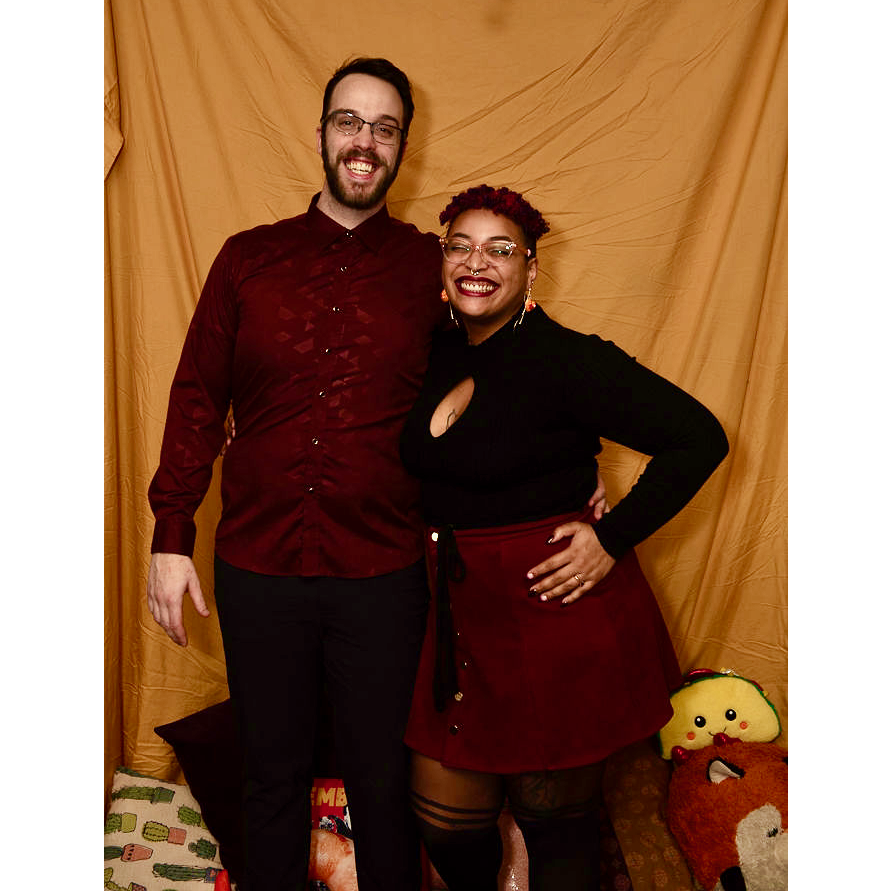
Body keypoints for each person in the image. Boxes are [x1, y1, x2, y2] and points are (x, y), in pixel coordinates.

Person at [145, 60, 606, 891]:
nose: (365, 141)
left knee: (385, 785)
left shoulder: (433, 267)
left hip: (385, 573)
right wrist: (171, 533)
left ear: (401, 148)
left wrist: (578, 474)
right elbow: (197, 398)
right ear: (322, 133)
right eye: (349, 122)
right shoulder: (246, 259)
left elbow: (510, 368)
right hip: (256, 565)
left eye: (384, 128)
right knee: (270, 777)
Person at [399, 184, 730, 890]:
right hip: (461, 620)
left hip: (556, 618)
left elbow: (698, 437)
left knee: (555, 825)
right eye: (459, 246)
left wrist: (612, 537)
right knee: (447, 823)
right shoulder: (433, 353)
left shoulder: (568, 358)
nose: (476, 263)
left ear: (530, 269)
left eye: (499, 249)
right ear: (442, 261)